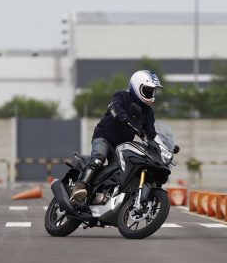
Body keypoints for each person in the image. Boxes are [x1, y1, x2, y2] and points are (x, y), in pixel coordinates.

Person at [70, 70, 163, 204]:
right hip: (104, 137)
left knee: (122, 172)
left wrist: (162, 146)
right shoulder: (122, 96)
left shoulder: (148, 111)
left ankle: (102, 197)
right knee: (98, 158)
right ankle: (79, 187)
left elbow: (151, 132)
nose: (151, 94)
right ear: (137, 87)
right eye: (148, 90)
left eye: (153, 91)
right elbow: (115, 108)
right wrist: (126, 119)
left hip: (122, 146)